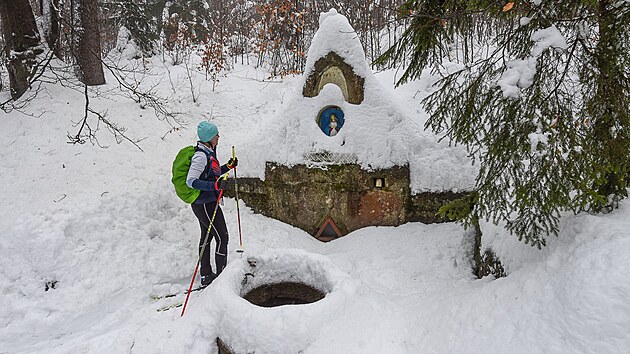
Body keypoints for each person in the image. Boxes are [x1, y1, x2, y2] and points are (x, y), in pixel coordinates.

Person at [186, 121, 238, 287]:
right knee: (222, 237)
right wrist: (215, 186)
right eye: (216, 135)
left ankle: (206, 275)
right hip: (205, 204)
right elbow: (191, 181)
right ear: (209, 138)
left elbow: (211, 174)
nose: (218, 137)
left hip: (205, 203)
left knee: (207, 236)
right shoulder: (201, 156)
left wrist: (227, 167)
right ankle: (221, 280)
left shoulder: (208, 152)